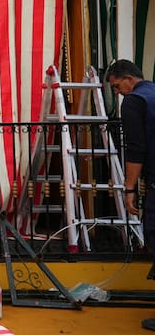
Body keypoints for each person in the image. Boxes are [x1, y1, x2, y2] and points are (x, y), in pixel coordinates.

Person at [105, 60, 155, 332]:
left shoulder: (134, 102)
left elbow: (136, 149)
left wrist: (130, 189)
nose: (118, 93)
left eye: (116, 87)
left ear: (127, 79)